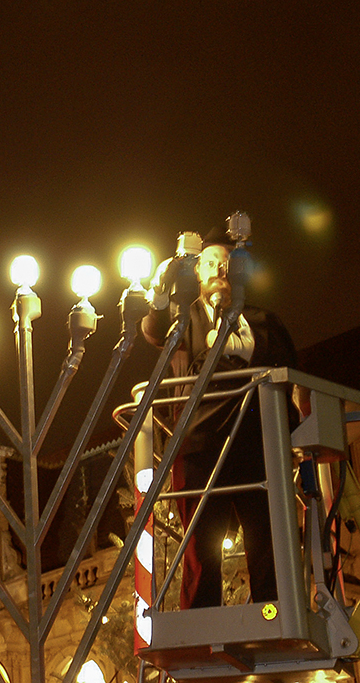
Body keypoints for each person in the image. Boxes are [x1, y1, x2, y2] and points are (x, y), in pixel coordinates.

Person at [141, 227, 297, 609]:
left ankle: (273, 612)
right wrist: (162, 283)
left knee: (266, 537)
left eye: (226, 263)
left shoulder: (263, 320)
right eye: (210, 262)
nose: (218, 269)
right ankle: (200, 619)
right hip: (200, 444)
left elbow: (291, 375)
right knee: (200, 543)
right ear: (197, 271)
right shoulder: (184, 319)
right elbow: (153, 328)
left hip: (255, 441)